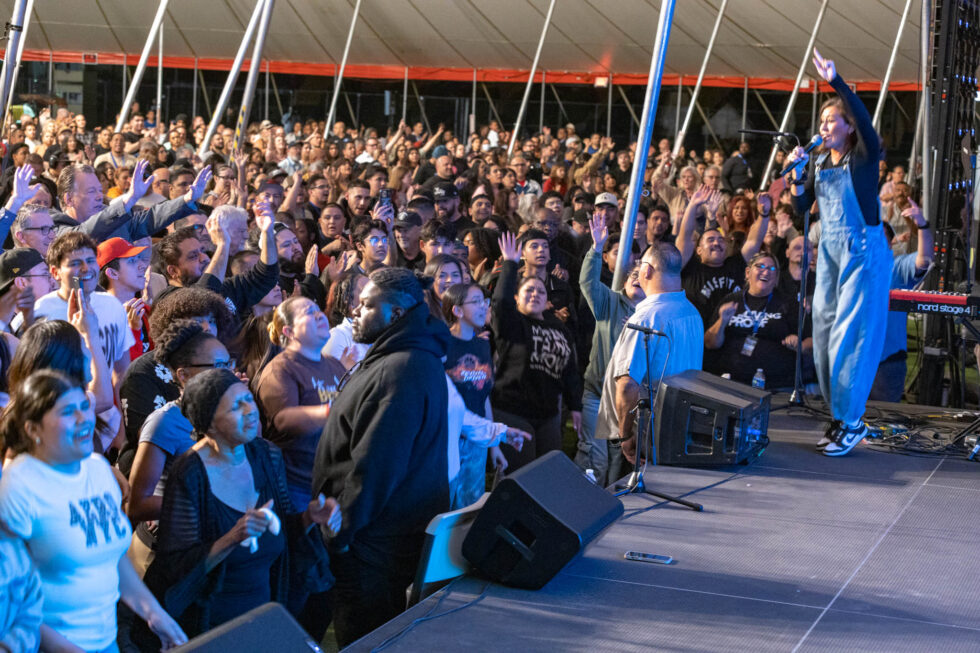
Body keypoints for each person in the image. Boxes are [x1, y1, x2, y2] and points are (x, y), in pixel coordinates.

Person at [312, 267, 451, 648]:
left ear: (395, 314)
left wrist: (341, 533)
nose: (355, 311)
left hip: (372, 546)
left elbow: (376, 466)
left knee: (366, 640)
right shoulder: (404, 357)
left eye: (366, 304)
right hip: (380, 538)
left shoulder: (401, 368)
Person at [144, 369, 339, 640]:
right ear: (210, 424)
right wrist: (234, 537)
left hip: (265, 608)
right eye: (236, 406)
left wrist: (309, 517)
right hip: (210, 620)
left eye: (248, 398)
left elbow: (282, 529)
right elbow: (177, 566)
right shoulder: (190, 473)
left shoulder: (266, 455)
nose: (250, 411)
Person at [0, 370, 187, 652]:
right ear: (33, 429)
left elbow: (111, 557)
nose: (83, 419)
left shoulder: (99, 471)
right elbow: (12, 605)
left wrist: (154, 613)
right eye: (67, 412)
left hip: (106, 642)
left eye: (84, 406)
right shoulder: (19, 489)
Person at [786, 49, 890, 456]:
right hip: (829, 249)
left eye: (832, 120)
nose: (824, 127)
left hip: (862, 250)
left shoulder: (862, 159)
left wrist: (836, 82)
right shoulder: (818, 163)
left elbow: (867, 125)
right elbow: (801, 207)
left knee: (851, 336)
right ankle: (841, 414)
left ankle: (851, 420)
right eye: (822, 121)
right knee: (826, 332)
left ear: (848, 128)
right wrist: (797, 177)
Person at [126, 320, 233, 574]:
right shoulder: (165, 422)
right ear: (183, 375)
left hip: (210, 545)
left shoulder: (231, 413)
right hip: (165, 552)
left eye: (229, 364)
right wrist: (201, 503)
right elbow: (136, 504)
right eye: (218, 366)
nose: (227, 373)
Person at [595, 243, 704, 463]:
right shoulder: (693, 313)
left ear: (647, 270)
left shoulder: (646, 318)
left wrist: (625, 435)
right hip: (682, 431)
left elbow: (627, 385)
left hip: (646, 435)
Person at [491, 232, 582, 471]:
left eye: (541, 292)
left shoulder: (559, 328)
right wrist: (510, 264)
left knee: (547, 473)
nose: (535, 294)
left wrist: (575, 406)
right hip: (513, 411)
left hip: (548, 413)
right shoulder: (512, 323)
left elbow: (569, 370)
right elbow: (500, 303)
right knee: (519, 475)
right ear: (517, 298)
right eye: (529, 291)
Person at [255, 297, 347, 507]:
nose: (319, 315)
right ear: (289, 331)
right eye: (308, 312)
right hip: (297, 484)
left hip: (333, 478)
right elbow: (283, 420)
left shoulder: (334, 364)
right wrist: (330, 412)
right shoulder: (280, 369)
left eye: (318, 309)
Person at [577, 215, 646, 485]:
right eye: (633, 275)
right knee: (596, 461)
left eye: (642, 276)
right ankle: (584, 506)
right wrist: (596, 249)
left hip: (628, 401)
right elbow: (587, 283)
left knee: (620, 463)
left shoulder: (651, 315)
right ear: (625, 281)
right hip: (597, 394)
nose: (637, 279)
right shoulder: (609, 301)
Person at [704, 252, 810, 390]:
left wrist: (798, 344)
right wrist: (722, 321)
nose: (766, 272)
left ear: (776, 277)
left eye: (772, 268)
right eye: (760, 266)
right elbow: (710, 344)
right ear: (748, 272)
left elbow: (811, 342)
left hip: (777, 385)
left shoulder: (789, 304)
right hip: (731, 381)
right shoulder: (731, 300)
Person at [869, 201, 933, 403]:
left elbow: (924, 259)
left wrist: (922, 225)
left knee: (884, 417)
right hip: (854, 359)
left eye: (881, 238)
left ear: (890, 243)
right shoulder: (853, 270)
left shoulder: (896, 267)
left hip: (886, 362)